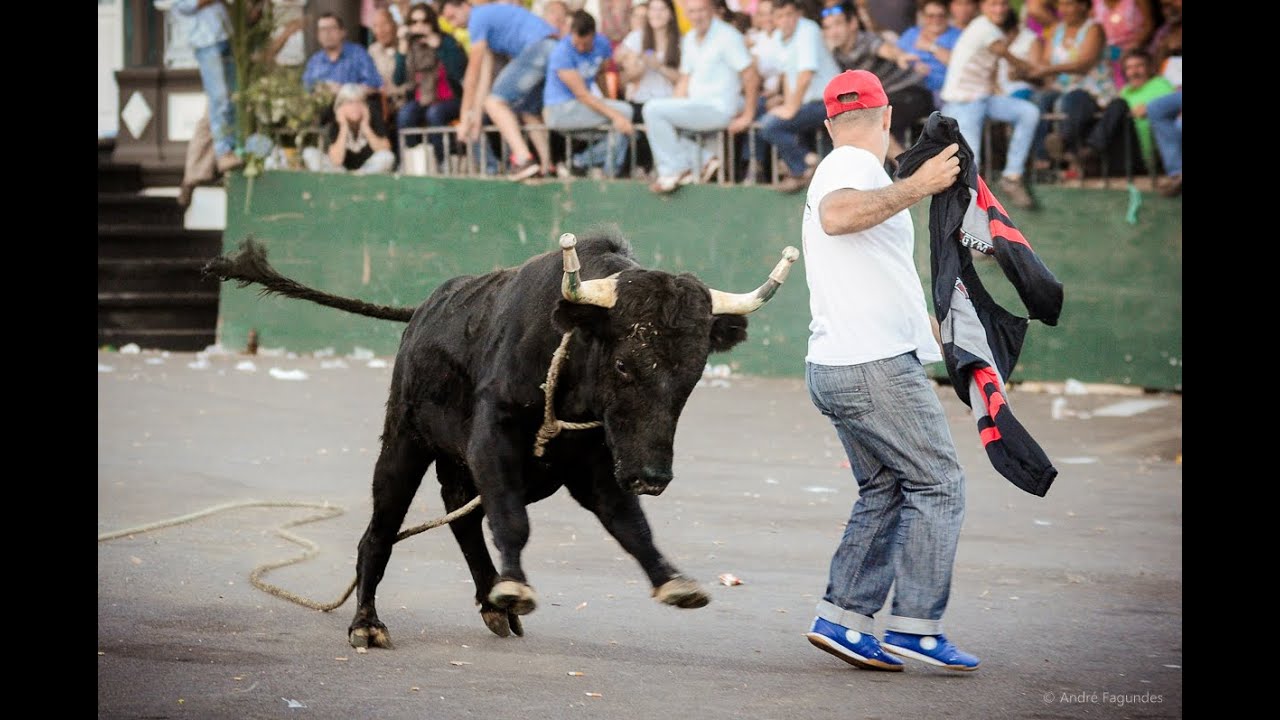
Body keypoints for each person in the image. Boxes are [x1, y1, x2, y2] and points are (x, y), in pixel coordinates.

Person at [798, 68, 981, 674]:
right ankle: (917, 626)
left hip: (841, 362)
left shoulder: (844, 164)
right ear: (886, 119)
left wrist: (927, 329)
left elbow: (867, 261)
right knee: (938, 484)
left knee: (886, 488)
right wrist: (920, 185)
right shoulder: (849, 168)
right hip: (870, 365)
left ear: (829, 123)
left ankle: (843, 620)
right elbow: (838, 217)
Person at [640, 0, 760, 193]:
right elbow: (685, 80)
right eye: (692, 11)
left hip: (719, 109)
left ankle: (674, 170)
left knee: (652, 110)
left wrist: (748, 115)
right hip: (697, 107)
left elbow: (750, 75)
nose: (697, 16)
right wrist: (663, 118)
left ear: (712, 10)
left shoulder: (727, 36)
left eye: (701, 10)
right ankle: (704, 160)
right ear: (686, 14)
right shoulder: (689, 39)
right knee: (655, 119)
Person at [441, 0, 560, 181]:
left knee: (495, 102)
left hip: (539, 48)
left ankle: (523, 159)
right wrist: (476, 119)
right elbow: (484, 79)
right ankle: (547, 166)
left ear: (465, 6)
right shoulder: (489, 20)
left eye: (453, 17)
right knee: (527, 110)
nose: (453, 24)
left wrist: (465, 117)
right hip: (553, 48)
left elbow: (472, 73)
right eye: (448, 21)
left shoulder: (478, 18)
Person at [939, 0, 1040, 208]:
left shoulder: (992, 29)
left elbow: (992, 65)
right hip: (963, 103)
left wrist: (997, 88)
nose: (999, 9)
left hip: (983, 99)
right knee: (970, 165)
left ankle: (1012, 177)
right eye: (993, 4)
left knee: (1028, 113)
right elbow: (1006, 55)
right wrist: (1035, 71)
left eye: (1003, 4)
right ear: (982, 7)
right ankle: (967, 220)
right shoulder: (983, 27)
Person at [821, 1, 934, 162]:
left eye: (838, 24)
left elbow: (884, 49)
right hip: (888, 98)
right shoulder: (837, 54)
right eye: (827, 27)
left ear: (852, 23)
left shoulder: (865, 41)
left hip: (913, 93)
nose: (833, 32)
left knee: (873, 118)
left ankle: (907, 170)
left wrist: (900, 56)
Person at [758, 0, 841, 193]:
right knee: (767, 115)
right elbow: (788, 76)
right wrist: (788, 105)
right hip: (810, 102)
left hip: (830, 101)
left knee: (771, 125)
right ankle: (808, 162)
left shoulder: (808, 29)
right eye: (780, 16)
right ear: (774, 19)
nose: (786, 20)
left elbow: (805, 75)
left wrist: (791, 109)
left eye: (790, 14)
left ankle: (803, 167)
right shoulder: (780, 38)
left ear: (798, 14)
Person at [542, 11, 636, 177]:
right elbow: (582, 95)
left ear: (593, 35)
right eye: (577, 43)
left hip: (582, 105)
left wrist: (609, 102)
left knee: (619, 129)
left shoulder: (602, 44)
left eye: (585, 44)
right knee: (624, 113)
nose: (580, 48)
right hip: (561, 109)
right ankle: (607, 173)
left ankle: (581, 163)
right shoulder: (562, 52)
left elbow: (601, 74)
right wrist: (615, 115)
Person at [173, 0, 242, 174]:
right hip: (205, 40)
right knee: (219, 98)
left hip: (226, 35)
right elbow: (184, 5)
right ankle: (223, 152)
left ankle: (229, 150)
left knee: (229, 99)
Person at [394, 3, 467, 169]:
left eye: (424, 21)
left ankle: (442, 162)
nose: (419, 26)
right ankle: (410, 161)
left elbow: (459, 73)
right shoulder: (410, 46)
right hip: (421, 100)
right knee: (405, 114)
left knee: (435, 113)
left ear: (432, 22)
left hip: (451, 99)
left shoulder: (446, 41)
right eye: (414, 22)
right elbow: (398, 80)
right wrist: (401, 51)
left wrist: (440, 48)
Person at [302, 83, 397, 174]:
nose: (355, 107)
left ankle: (359, 180)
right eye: (350, 102)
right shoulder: (335, 119)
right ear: (340, 106)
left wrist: (365, 126)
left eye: (359, 102)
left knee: (387, 157)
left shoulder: (373, 114)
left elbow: (385, 149)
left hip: (366, 172)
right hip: (340, 172)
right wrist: (344, 126)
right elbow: (336, 160)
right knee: (309, 153)